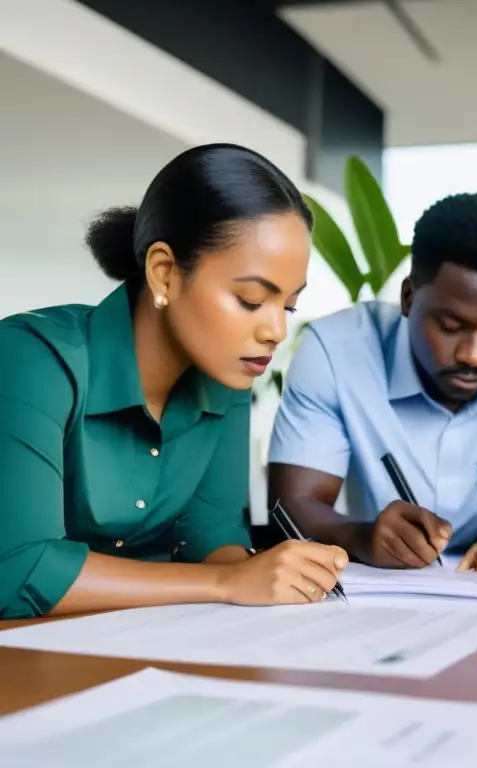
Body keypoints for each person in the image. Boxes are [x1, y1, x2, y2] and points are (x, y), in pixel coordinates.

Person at [0, 143, 348, 620]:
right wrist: (228, 582)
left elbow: (211, 532)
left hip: (139, 645)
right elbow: (19, 568)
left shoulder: (228, 375)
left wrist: (273, 576)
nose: (276, 331)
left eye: (287, 305)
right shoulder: (30, 358)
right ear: (164, 274)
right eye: (250, 299)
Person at [267, 192, 477, 573]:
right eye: (451, 326)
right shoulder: (335, 350)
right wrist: (363, 537)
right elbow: (292, 505)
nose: (473, 355)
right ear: (408, 297)